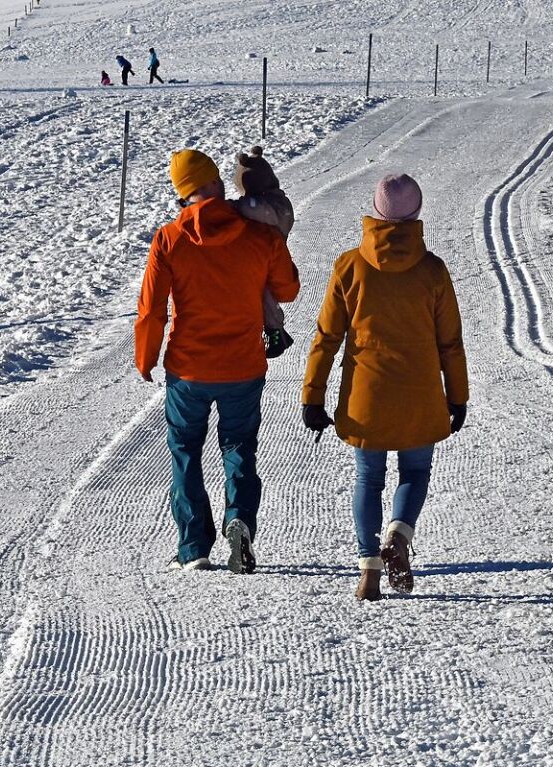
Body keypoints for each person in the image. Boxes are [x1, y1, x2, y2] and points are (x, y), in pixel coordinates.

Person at [301, 174, 468, 601]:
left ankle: (368, 569)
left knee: (368, 477)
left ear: (375, 211)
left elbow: (326, 337)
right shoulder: (432, 270)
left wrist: (313, 395)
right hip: (420, 394)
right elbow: (450, 341)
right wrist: (458, 396)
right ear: (416, 213)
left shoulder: (349, 266)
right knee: (415, 471)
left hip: (366, 396)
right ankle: (398, 533)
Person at [135, 149, 300, 574]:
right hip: (243, 366)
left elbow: (152, 309)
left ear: (182, 193)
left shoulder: (169, 238)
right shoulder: (258, 234)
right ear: (217, 183)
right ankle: (239, 518)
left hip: (188, 369)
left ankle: (193, 548)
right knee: (238, 446)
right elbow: (288, 289)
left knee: (185, 450)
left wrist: (145, 356)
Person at [233, 146, 297, 357]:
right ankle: (278, 333)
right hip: (273, 256)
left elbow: (248, 208)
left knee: (266, 297)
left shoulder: (269, 207)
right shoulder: (279, 201)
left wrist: (228, 206)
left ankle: (276, 335)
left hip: (272, 261)